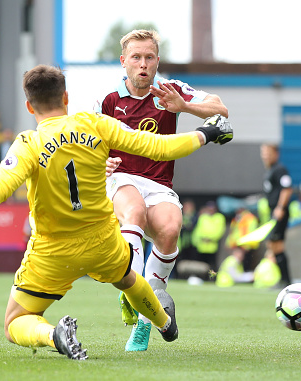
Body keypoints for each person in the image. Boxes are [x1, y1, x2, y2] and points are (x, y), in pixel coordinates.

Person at [0, 64, 233, 359]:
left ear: (29, 105)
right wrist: (207, 132)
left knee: (14, 322)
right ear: (66, 98)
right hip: (102, 242)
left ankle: (53, 335)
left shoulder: (28, 143)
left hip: (53, 251)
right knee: (128, 278)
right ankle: (164, 323)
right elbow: (158, 146)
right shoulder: (95, 123)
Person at [95, 29, 229, 351]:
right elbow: (86, 142)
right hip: (120, 177)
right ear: (123, 61)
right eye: (136, 57)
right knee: (135, 213)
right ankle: (132, 289)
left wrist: (183, 106)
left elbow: (221, 111)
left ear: (157, 61)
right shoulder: (106, 98)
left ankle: (144, 320)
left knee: (170, 230)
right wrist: (99, 166)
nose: (143, 64)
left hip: (159, 184)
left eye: (149, 57)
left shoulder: (171, 89)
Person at [260, 143, 293, 287]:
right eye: (263, 152)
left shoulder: (280, 169)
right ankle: (283, 280)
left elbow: (287, 189)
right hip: (274, 212)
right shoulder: (270, 170)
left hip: (280, 212)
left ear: (276, 154)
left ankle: (286, 280)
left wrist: (280, 207)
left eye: (268, 152)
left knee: (277, 245)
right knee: (273, 245)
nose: (265, 155)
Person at [191, 201, 226, 272]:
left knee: (212, 264)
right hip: (201, 246)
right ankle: (201, 278)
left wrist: (210, 238)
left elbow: (219, 231)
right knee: (200, 264)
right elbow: (198, 230)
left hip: (212, 246)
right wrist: (197, 241)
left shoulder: (219, 217)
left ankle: (212, 278)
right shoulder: (203, 217)